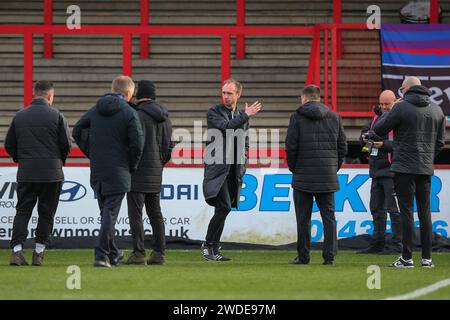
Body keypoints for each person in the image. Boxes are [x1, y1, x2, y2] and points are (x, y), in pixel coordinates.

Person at [373, 77, 445, 268]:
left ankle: (406, 257)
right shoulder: (437, 109)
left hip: (404, 168)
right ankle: (427, 258)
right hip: (425, 168)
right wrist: (426, 157)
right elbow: (439, 144)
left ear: (405, 90)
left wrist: (392, 110)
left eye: (401, 90)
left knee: (406, 212)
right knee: (425, 212)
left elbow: (379, 129)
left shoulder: (401, 107)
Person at [72, 75, 144, 268]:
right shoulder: (129, 112)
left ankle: (113, 254)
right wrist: (131, 165)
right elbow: (137, 143)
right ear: (129, 93)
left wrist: (91, 152)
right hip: (119, 170)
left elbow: (76, 130)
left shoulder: (96, 109)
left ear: (113, 90)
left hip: (98, 170)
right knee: (110, 214)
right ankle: (101, 255)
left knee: (106, 214)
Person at [5, 80, 72, 266]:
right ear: (50, 96)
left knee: (23, 211)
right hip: (52, 174)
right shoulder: (57, 115)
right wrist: (59, 162)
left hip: (27, 172)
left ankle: (17, 252)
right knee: (46, 213)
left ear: (34, 94)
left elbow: (8, 144)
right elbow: (66, 144)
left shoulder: (20, 116)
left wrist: (22, 160)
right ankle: (39, 253)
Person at [285, 85, 347, 265]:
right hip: (327, 176)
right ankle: (329, 257)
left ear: (304, 99)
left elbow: (291, 146)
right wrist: (333, 167)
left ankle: (303, 257)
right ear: (318, 98)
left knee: (303, 219)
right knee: (329, 218)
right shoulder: (335, 117)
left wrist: (294, 168)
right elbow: (342, 147)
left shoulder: (297, 117)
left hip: (303, 176)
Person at [201, 79, 262, 261]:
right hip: (217, 168)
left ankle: (213, 247)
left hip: (233, 170)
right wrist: (245, 114)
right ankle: (208, 245)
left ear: (238, 95)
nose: (225, 96)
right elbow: (226, 128)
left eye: (229, 93)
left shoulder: (240, 115)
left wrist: (243, 164)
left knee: (224, 208)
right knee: (225, 207)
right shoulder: (214, 112)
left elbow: (244, 142)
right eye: (224, 92)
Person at [123, 80, 173, 265]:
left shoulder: (135, 114)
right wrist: (159, 163)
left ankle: (138, 253)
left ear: (138, 95)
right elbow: (169, 148)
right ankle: (159, 253)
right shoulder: (165, 117)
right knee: (155, 214)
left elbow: (131, 144)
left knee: (136, 214)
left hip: (136, 173)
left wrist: (131, 164)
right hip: (155, 172)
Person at [357, 90, 402, 254]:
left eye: (386, 104)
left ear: (394, 102)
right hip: (376, 171)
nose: (383, 107)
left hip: (392, 171)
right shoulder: (376, 117)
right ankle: (377, 243)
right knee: (376, 209)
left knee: (394, 211)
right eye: (381, 104)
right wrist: (364, 137)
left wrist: (382, 144)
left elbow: (401, 145)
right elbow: (365, 131)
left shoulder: (399, 118)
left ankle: (397, 245)